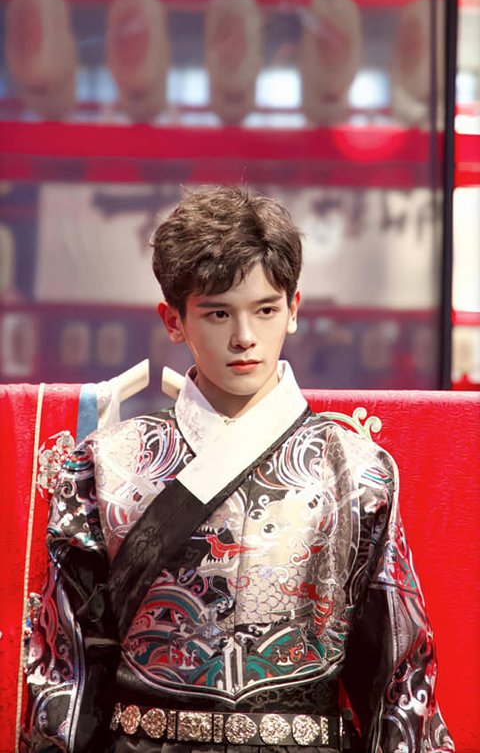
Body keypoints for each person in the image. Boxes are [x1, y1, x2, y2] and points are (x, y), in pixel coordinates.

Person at [22, 186, 454, 753]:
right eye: (218, 313)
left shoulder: (357, 471)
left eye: (265, 310)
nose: (244, 337)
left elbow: (399, 680)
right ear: (173, 320)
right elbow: (67, 670)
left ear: (294, 309)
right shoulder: (106, 464)